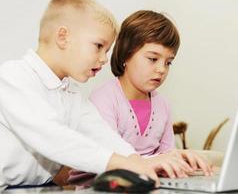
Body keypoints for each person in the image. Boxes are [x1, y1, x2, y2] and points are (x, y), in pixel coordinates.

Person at [0, 0, 159, 190]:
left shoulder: (71, 93)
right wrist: (118, 162)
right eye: (99, 46)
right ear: (63, 37)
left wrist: (135, 160)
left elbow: (100, 133)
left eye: (107, 50)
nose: (104, 59)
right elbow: (52, 136)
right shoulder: (12, 77)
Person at [90, 10, 213, 178]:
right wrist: (159, 160)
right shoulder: (103, 99)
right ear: (126, 53)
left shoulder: (162, 104)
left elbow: (167, 155)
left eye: (168, 62)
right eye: (153, 59)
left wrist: (182, 162)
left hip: (146, 184)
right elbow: (110, 160)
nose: (162, 69)